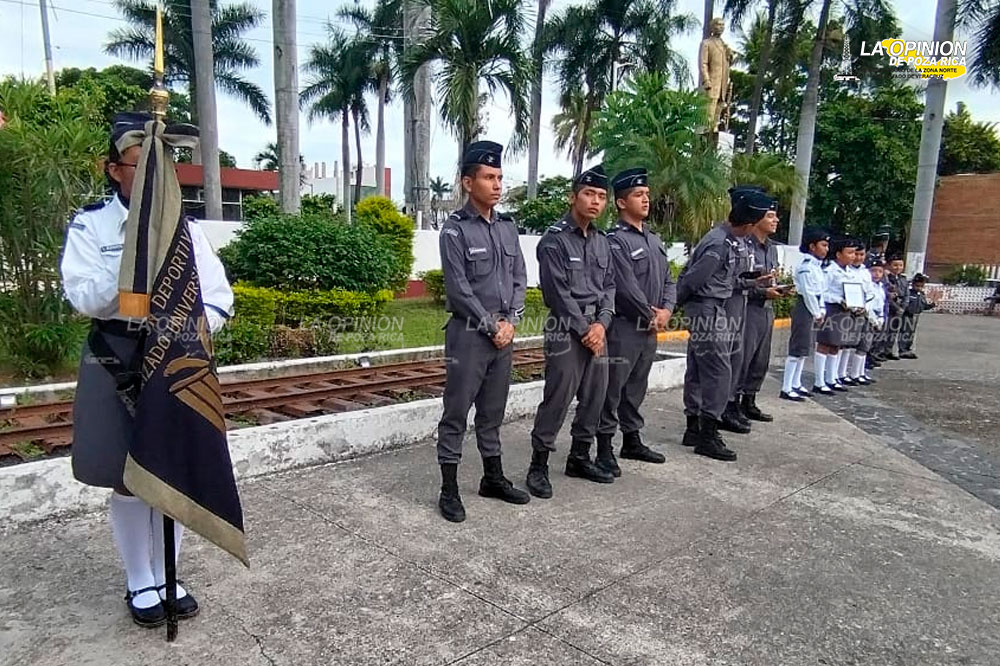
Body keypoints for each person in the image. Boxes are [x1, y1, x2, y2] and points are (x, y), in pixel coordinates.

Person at [60, 112, 233, 628]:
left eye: (166, 165)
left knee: (173, 466)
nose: (158, 176)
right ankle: (140, 579)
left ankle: (170, 575)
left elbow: (219, 296)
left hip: (177, 357)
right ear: (113, 169)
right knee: (126, 477)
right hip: (116, 358)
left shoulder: (187, 228)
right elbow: (83, 294)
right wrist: (136, 265)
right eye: (143, 165)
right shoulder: (91, 224)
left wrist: (193, 332)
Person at [435, 140, 530, 523]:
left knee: (492, 412)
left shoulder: (507, 228)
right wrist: (493, 326)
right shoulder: (455, 231)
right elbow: (459, 289)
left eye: (500, 177)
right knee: (456, 412)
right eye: (489, 177)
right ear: (467, 183)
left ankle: (493, 478)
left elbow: (520, 277)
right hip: (470, 335)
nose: (497, 184)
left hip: (503, 335)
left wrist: (512, 321)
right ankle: (449, 488)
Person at [526, 165, 616, 499]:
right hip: (567, 331)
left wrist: (601, 325)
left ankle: (580, 456)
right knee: (558, 397)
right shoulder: (555, 241)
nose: (595, 201)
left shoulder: (602, 242)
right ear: (573, 197)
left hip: (597, 330)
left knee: (595, 395)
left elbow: (610, 288)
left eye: (602, 196)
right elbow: (557, 295)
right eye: (589, 194)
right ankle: (539, 464)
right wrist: (586, 330)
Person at [676, 188, 776, 461]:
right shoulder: (719, 243)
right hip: (707, 309)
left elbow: (724, 280)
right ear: (748, 224)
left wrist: (752, 283)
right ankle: (708, 432)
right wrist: (670, 308)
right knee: (720, 371)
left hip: (715, 306)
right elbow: (692, 280)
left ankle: (694, 428)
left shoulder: (730, 241)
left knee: (700, 368)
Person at [596, 167, 675, 477]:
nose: (646, 200)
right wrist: (651, 314)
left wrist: (667, 310)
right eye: (638, 195)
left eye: (647, 195)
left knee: (637, 386)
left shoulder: (653, 239)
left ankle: (632, 439)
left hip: (649, 328)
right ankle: (603, 447)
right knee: (612, 388)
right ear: (621, 203)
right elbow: (625, 287)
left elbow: (669, 279)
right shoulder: (616, 241)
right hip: (625, 327)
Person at [737, 201, 783, 420]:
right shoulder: (745, 245)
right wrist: (763, 292)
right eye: (771, 216)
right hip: (748, 307)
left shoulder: (772, 247)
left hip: (766, 309)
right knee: (743, 356)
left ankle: (750, 399)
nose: (776, 220)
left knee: (761, 358)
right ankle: (732, 403)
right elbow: (738, 281)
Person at [780, 227, 829, 401]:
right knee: (797, 348)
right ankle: (786, 387)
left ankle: (796, 383)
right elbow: (808, 293)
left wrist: (821, 310)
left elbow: (820, 292)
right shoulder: (806, 267)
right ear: (812, 246)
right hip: (805, 307)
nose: (826, 249)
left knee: (805, 348)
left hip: (814, 307)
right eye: (823, 245)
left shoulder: (817, 267)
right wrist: (817, 312)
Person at [813, 237, 864, 394]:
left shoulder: (851, 272)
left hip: (845, 311)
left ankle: (831, 378)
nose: (853, 256)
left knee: (837, 345)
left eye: (854, 253)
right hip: (832, 310)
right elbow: (823, 292)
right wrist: (839, 300)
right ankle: (819, 381)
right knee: (825, 344)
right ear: (838, 254)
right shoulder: (830, 271)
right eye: (849, 253)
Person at [899, 273, 935, 359]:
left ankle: (908, 349)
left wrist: (932, 305)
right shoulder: (910, 294)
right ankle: (902, 350)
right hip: (907, 315)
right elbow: (905, 304)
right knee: (905, 332)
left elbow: (923, 306)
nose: (919, 288)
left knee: (911, 333)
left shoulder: (921, 295)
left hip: (916, 316)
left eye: (921, 286)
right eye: (917, 285)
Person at [882, 254, 909, 360]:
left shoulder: (903, 279)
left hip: (900, 308)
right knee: (886, 331)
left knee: (894, 331)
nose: (898, 268)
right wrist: (897, 308)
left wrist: (903, 306)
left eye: (900, 265)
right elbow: (886, 295)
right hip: (890, 307)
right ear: (889, 266)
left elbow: (907, 294)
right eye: (895, 265)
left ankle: (889, 350)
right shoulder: (886, 278)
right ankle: (881, 351)